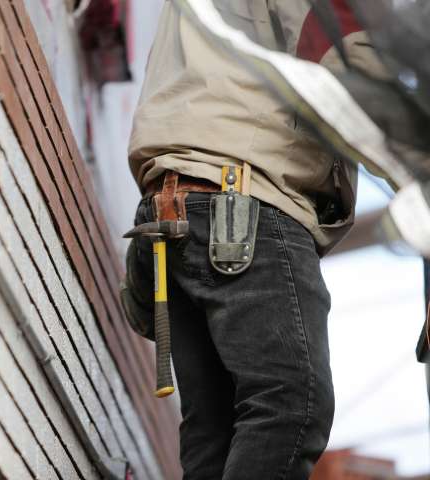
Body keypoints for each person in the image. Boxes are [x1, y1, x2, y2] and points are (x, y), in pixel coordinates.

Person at [123, 1, 388, 478]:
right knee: (292, 404)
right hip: (241, 205)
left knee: (215, 432)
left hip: (176, 204)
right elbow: (349, 64)